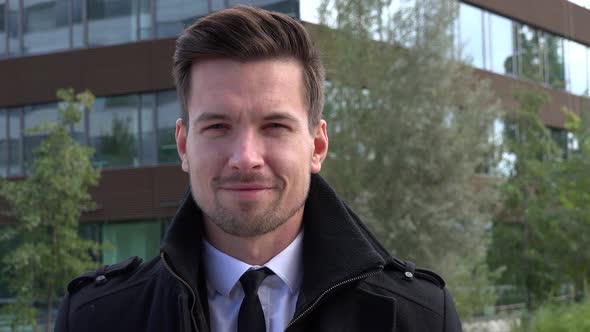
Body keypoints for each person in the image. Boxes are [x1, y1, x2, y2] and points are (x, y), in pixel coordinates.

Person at [55, 5, 462, 332]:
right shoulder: (96, 318)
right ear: (184, 145)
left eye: (274, 126)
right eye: (218, 126)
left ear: (316, 145)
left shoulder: (419, 317)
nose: (245, 156)